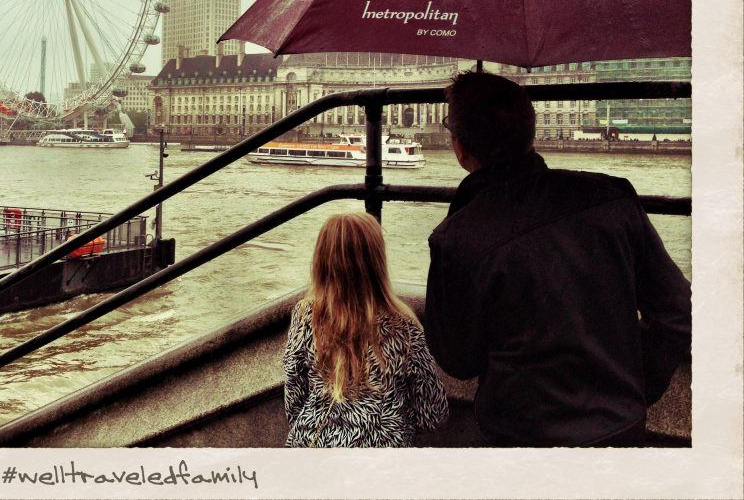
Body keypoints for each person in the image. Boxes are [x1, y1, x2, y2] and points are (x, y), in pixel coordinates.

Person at [424, 71, 691, 447]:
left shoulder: (456, 239)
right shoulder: (613, 197)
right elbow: (679, 308)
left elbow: (457, 359)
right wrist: (634, 387)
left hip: (518, 436)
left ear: (459, 147)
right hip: (622, 428)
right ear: (529, 133)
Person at [283, 212, 448, 447]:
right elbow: (433, 414)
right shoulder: (404, 326)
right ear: (377, 262)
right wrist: (392, 420)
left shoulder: (305, 316)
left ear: (320, 261)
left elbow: (294, 397)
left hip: (312, 452)